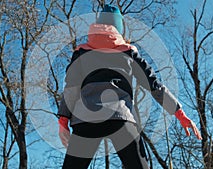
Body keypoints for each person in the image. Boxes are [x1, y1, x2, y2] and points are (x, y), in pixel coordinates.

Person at [57, 4, 202, 169]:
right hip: (120, 116)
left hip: (85, 118)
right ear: (119, 29)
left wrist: (63, 121)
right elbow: (153, 84)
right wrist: (179, 113)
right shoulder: (128, 52)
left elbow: (71, 88)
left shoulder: (81, 52)